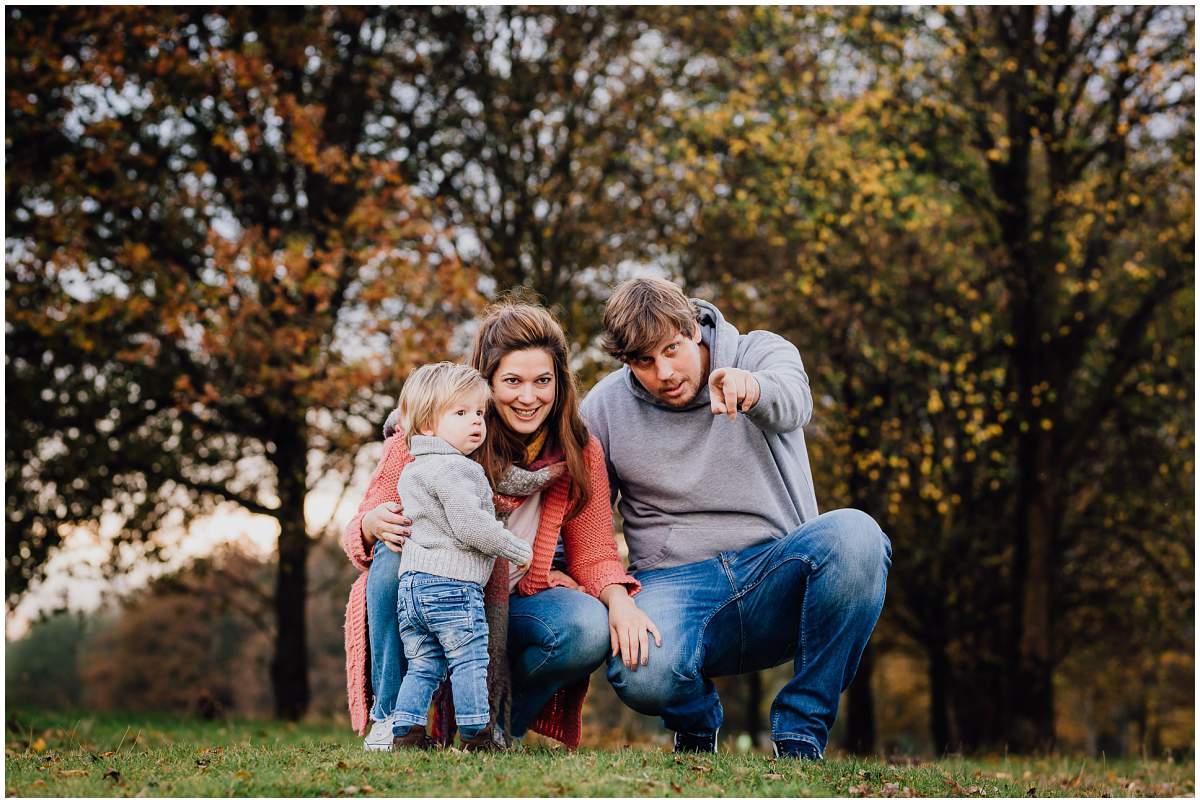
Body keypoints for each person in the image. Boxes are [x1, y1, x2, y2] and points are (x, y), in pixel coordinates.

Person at [581, 277, 891, 761]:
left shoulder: (757, 353)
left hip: (775, 572)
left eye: (672, 349)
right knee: (643, 673)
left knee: (857, 535)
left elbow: (794, 401)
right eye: (643, 361)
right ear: (625, 361)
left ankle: (801, 733)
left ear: (693, 329)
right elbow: (587, 515)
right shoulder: (603, 408)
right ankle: (696, 722)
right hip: (673, 582)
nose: (664, 371)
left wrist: (755, 389)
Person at [342, 301, 657, 751]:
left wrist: (619, 601)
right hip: (435, 588)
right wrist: (371, 525)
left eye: (542, 381)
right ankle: (393, 720)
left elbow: (594, 551)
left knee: (587, 627)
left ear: (559, 382)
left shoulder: (577, 451)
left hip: (517, 598)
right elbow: (364, 526)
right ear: (485, 383)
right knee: (394, 554)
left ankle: (495, 725)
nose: (529, 397)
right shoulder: (432, 435)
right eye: (512, 381)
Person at [386, 361, 534, 751]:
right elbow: (470, 526)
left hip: (413, 587)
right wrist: (514, 547)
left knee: (424, 664)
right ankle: (477, 735)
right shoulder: (458, 469)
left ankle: (407, 732)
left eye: (480, 413)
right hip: (452, 586)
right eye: (462, 413)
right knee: (470, 661)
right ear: (428, 425)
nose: (476, 422)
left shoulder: (415, 469)